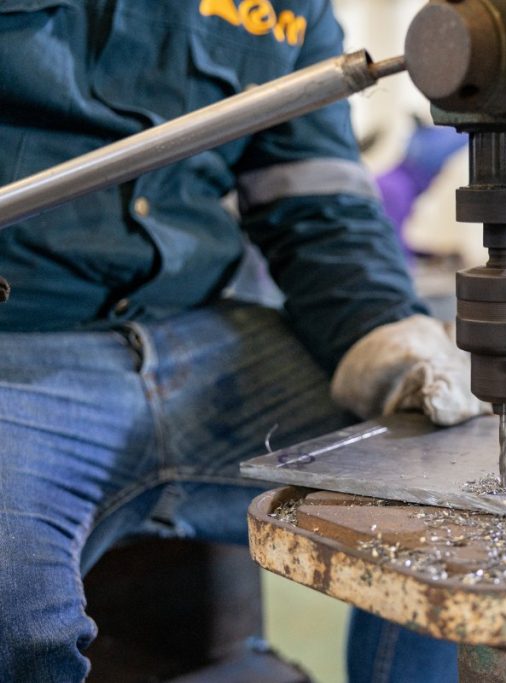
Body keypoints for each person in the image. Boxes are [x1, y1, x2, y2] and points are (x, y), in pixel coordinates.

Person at [0, 1, 479, 680]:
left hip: (207, 341)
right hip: (18, 350)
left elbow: (318, 203)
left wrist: (386, 333)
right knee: (16, 629)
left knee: (458, 498)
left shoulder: (293, 10)